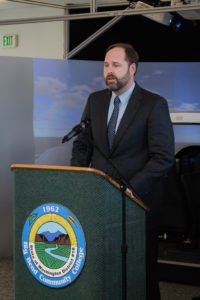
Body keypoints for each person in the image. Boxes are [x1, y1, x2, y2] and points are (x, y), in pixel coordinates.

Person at [70, 43, 175, 300]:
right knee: (103, 268)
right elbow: (83, 145)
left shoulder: (154, 104)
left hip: (137, 203)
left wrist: (129, 190)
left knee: (142, 273)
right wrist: (75, 179)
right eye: (106, 65)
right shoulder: (94, 101)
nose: (109, 71)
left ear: (133, 68)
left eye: (116, 65)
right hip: (100, 202)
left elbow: (163, 158)